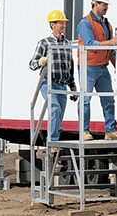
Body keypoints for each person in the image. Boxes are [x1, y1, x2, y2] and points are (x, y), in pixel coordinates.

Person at [76, 0, 117, 141]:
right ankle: (84, 131)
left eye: (107, 4)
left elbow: (110, 50)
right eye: (103, 4)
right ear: (95, 4)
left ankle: (111, 130)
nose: (106, 7)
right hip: (88, 67)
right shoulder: (85, 23)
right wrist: (110, 42)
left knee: (108, 98)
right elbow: (90, 44)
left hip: (102, 67)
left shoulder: (107, 24)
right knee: (85, 99)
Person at [29, 10, 78, 142]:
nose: (63, 25)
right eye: (60, 22)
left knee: (58, 115)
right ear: (52, 25)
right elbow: (32, 64)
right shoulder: (44, 43)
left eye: (64, 22)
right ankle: (53, 141)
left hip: (62, 85)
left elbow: (70, 66)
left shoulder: (67, 44)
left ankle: (52, 137)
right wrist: (40, 61)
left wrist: (73, 86)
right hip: (48, 83)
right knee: (54, 109)